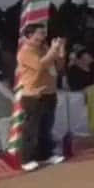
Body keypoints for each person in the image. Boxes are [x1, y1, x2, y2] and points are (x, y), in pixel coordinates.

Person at [15, 24, 65, 171]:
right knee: (31, 129)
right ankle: (26, 159)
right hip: (33, 94)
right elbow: (40, 66)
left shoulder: (44, 49)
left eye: (44, 33)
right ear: (29, 36)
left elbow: (59, 66)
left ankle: (45, 155)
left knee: (46, 127)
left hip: (49, 93)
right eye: (40, 33)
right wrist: (52, 50)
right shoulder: (25, 51)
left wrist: (61, 50)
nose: (43, 36)